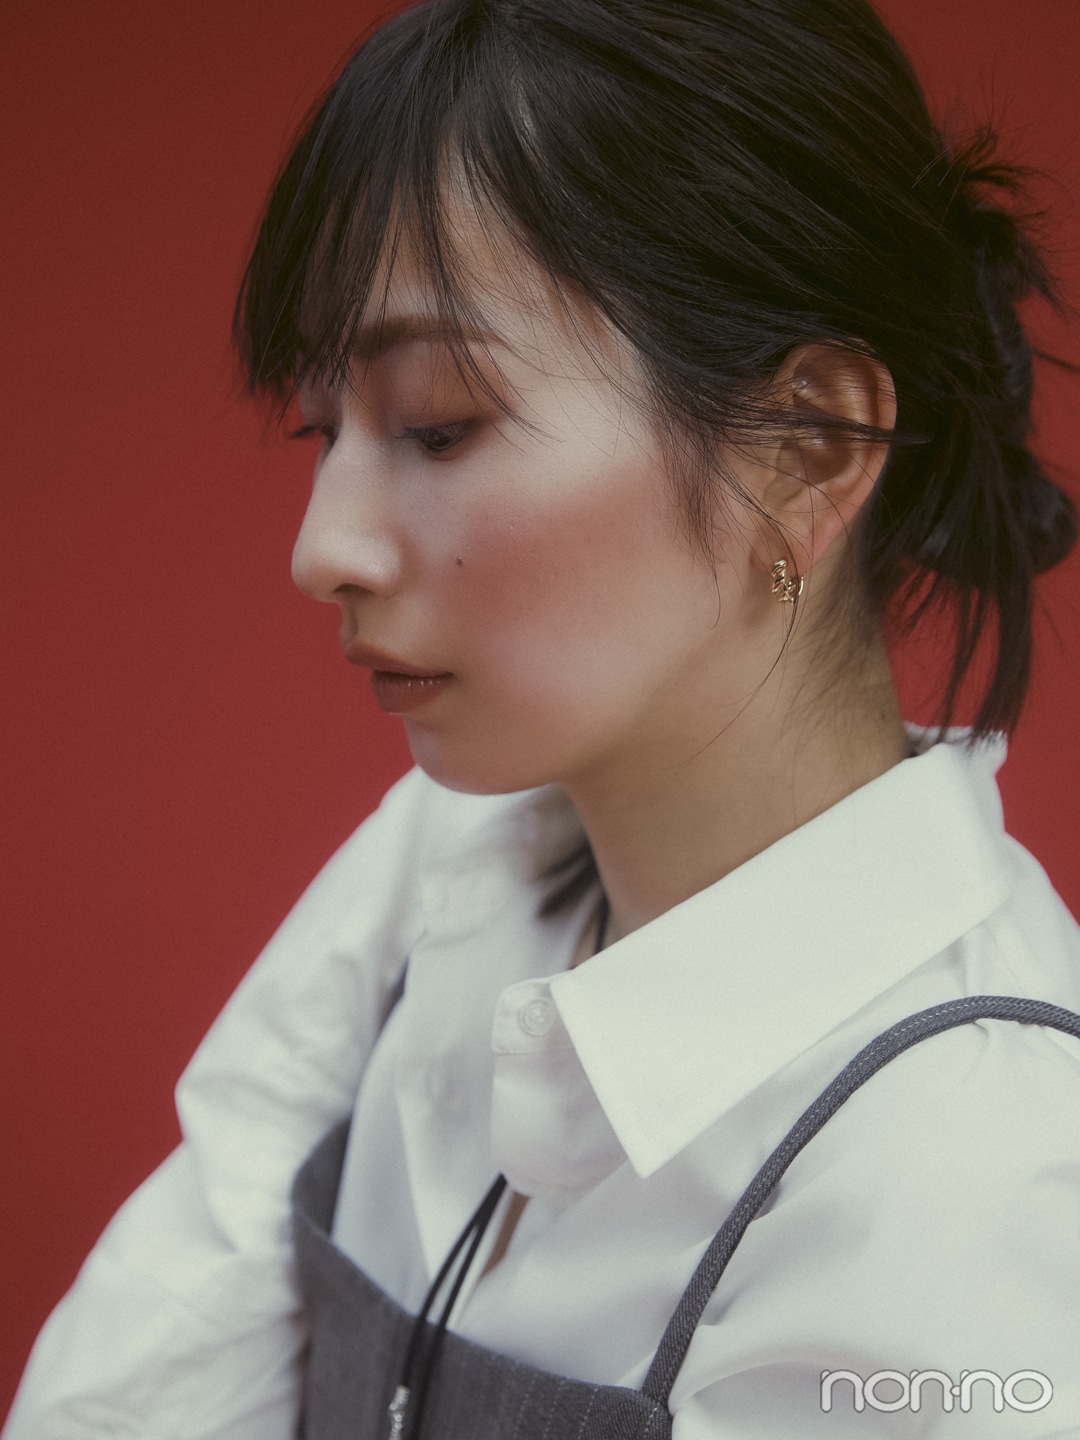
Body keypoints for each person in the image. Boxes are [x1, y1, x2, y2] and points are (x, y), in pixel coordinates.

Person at [6, 0, 1080, 1435]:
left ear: (808, 445)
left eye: (438, 424)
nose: (322, 548)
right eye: (324, 431)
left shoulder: (972, 1181)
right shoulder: (451, 860)